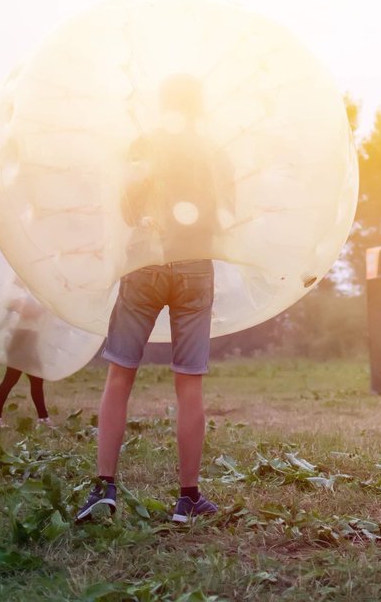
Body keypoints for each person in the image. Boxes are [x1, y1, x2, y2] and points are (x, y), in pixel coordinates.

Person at [76, 74, 235, 525]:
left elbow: (127, 210)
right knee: (189, 384)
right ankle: (188, 498)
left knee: (119, 376)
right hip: (194, 266)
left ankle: (104, 486)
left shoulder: (144, 145)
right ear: (199, 105)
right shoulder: (213, 153)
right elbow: (227, 213)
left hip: (145, 263)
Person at [0, 283, 51, 427]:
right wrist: (43, 308)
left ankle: (43, 419)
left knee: (35, 380)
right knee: (11, 380)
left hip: (28, 340)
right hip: (21, 340)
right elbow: (28, 312)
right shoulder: (21, 295)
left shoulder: (33, 295)